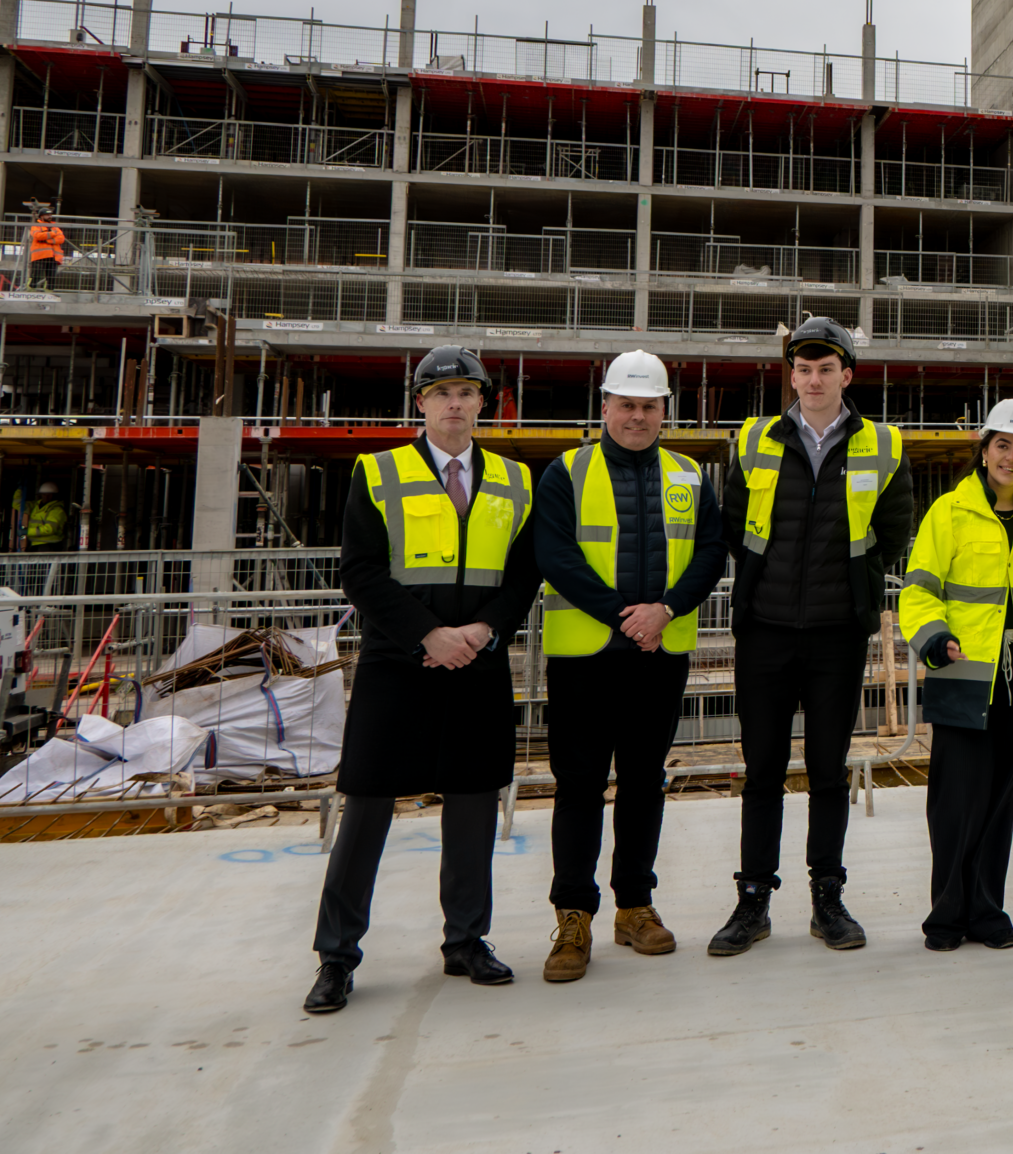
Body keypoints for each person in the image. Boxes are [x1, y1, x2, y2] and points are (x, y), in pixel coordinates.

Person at [303, 345, 540, 1014]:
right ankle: (337, 955)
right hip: (397, 662)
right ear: (420, 403)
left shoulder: (515, 480)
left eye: (467, 393)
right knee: (368, 805)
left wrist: (483, 630)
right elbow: (361, 570)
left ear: (482, 403)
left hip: (479, 662)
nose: (455, 404)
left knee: (472, 803)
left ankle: (467, 938)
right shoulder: (377, 472)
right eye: (441, 393)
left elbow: (524, 572)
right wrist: (427, 634)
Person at [707, 315, 913, 959]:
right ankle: (754, 900)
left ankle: (828, 896)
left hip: (835, 637)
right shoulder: (755, 439)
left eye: (826, 369)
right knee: (763, 771)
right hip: (766, 630)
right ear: (790, 375)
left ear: (846, 376)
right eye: (803, 368)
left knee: (827, 772)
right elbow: (736, 524)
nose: (813, 379)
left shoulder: (883, 444)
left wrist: (848, 590)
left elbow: (894, 532)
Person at [531, 349, 727, 983]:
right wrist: (627, 615)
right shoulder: (566, 471)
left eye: (648, 406)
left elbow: (709, 553)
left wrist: (665, 610)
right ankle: (572, 916)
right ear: (606, 406)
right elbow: (555, 555)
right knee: (580, 787)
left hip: (658, 656)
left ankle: (634, 905)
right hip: (587, 657)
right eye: (626, 405)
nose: (637, 416)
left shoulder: (691, 476)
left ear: (663, 411)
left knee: (644, 783)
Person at [899, 398, 1013, 951]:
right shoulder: (949, 511)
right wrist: (935, 640)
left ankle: (988, 911)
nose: (1011, 458)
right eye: (1002, 446)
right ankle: (946, 916)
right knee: (954, 804)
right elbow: (918, 590)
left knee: (999, 806)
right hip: (965, 674)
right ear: (983, 447)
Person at [16, 481, 71, 552]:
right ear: (41, 495)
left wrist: (27, 532)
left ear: (54, 495)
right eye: (44, 494)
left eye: (49, 494)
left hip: (49, 545)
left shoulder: (57, 510)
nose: (46, 497)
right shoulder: (36, 505)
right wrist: (19, 490)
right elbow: (17, 504)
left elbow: (50, 529)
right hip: (35, 544)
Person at [25, 209, 64, 290]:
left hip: (53, 256)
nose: (50, 216)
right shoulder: (36, 226)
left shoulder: (55, 226)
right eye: (47, 215)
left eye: (50, 215)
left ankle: (49, 293)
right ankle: (29, 291)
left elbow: (61, 239)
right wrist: (53, 234)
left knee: (51, 277)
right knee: (35, 276)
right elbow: (37, 236)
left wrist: (48, 239)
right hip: (40, 256)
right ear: (41, 216)